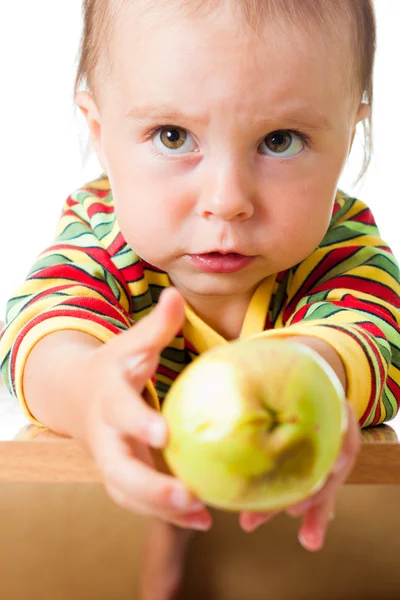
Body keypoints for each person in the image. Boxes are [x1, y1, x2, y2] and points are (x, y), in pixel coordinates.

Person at [1, 0, 399, 598]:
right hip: (109, 516)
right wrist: (84, 388)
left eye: (280, 139)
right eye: (172, 135)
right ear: (101, 135)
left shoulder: (340, 247)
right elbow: (44, 321)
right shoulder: (102, 234)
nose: (226, 198)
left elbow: (372, 330)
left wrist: (314, 372)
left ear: (350, 136)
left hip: (284, 539)